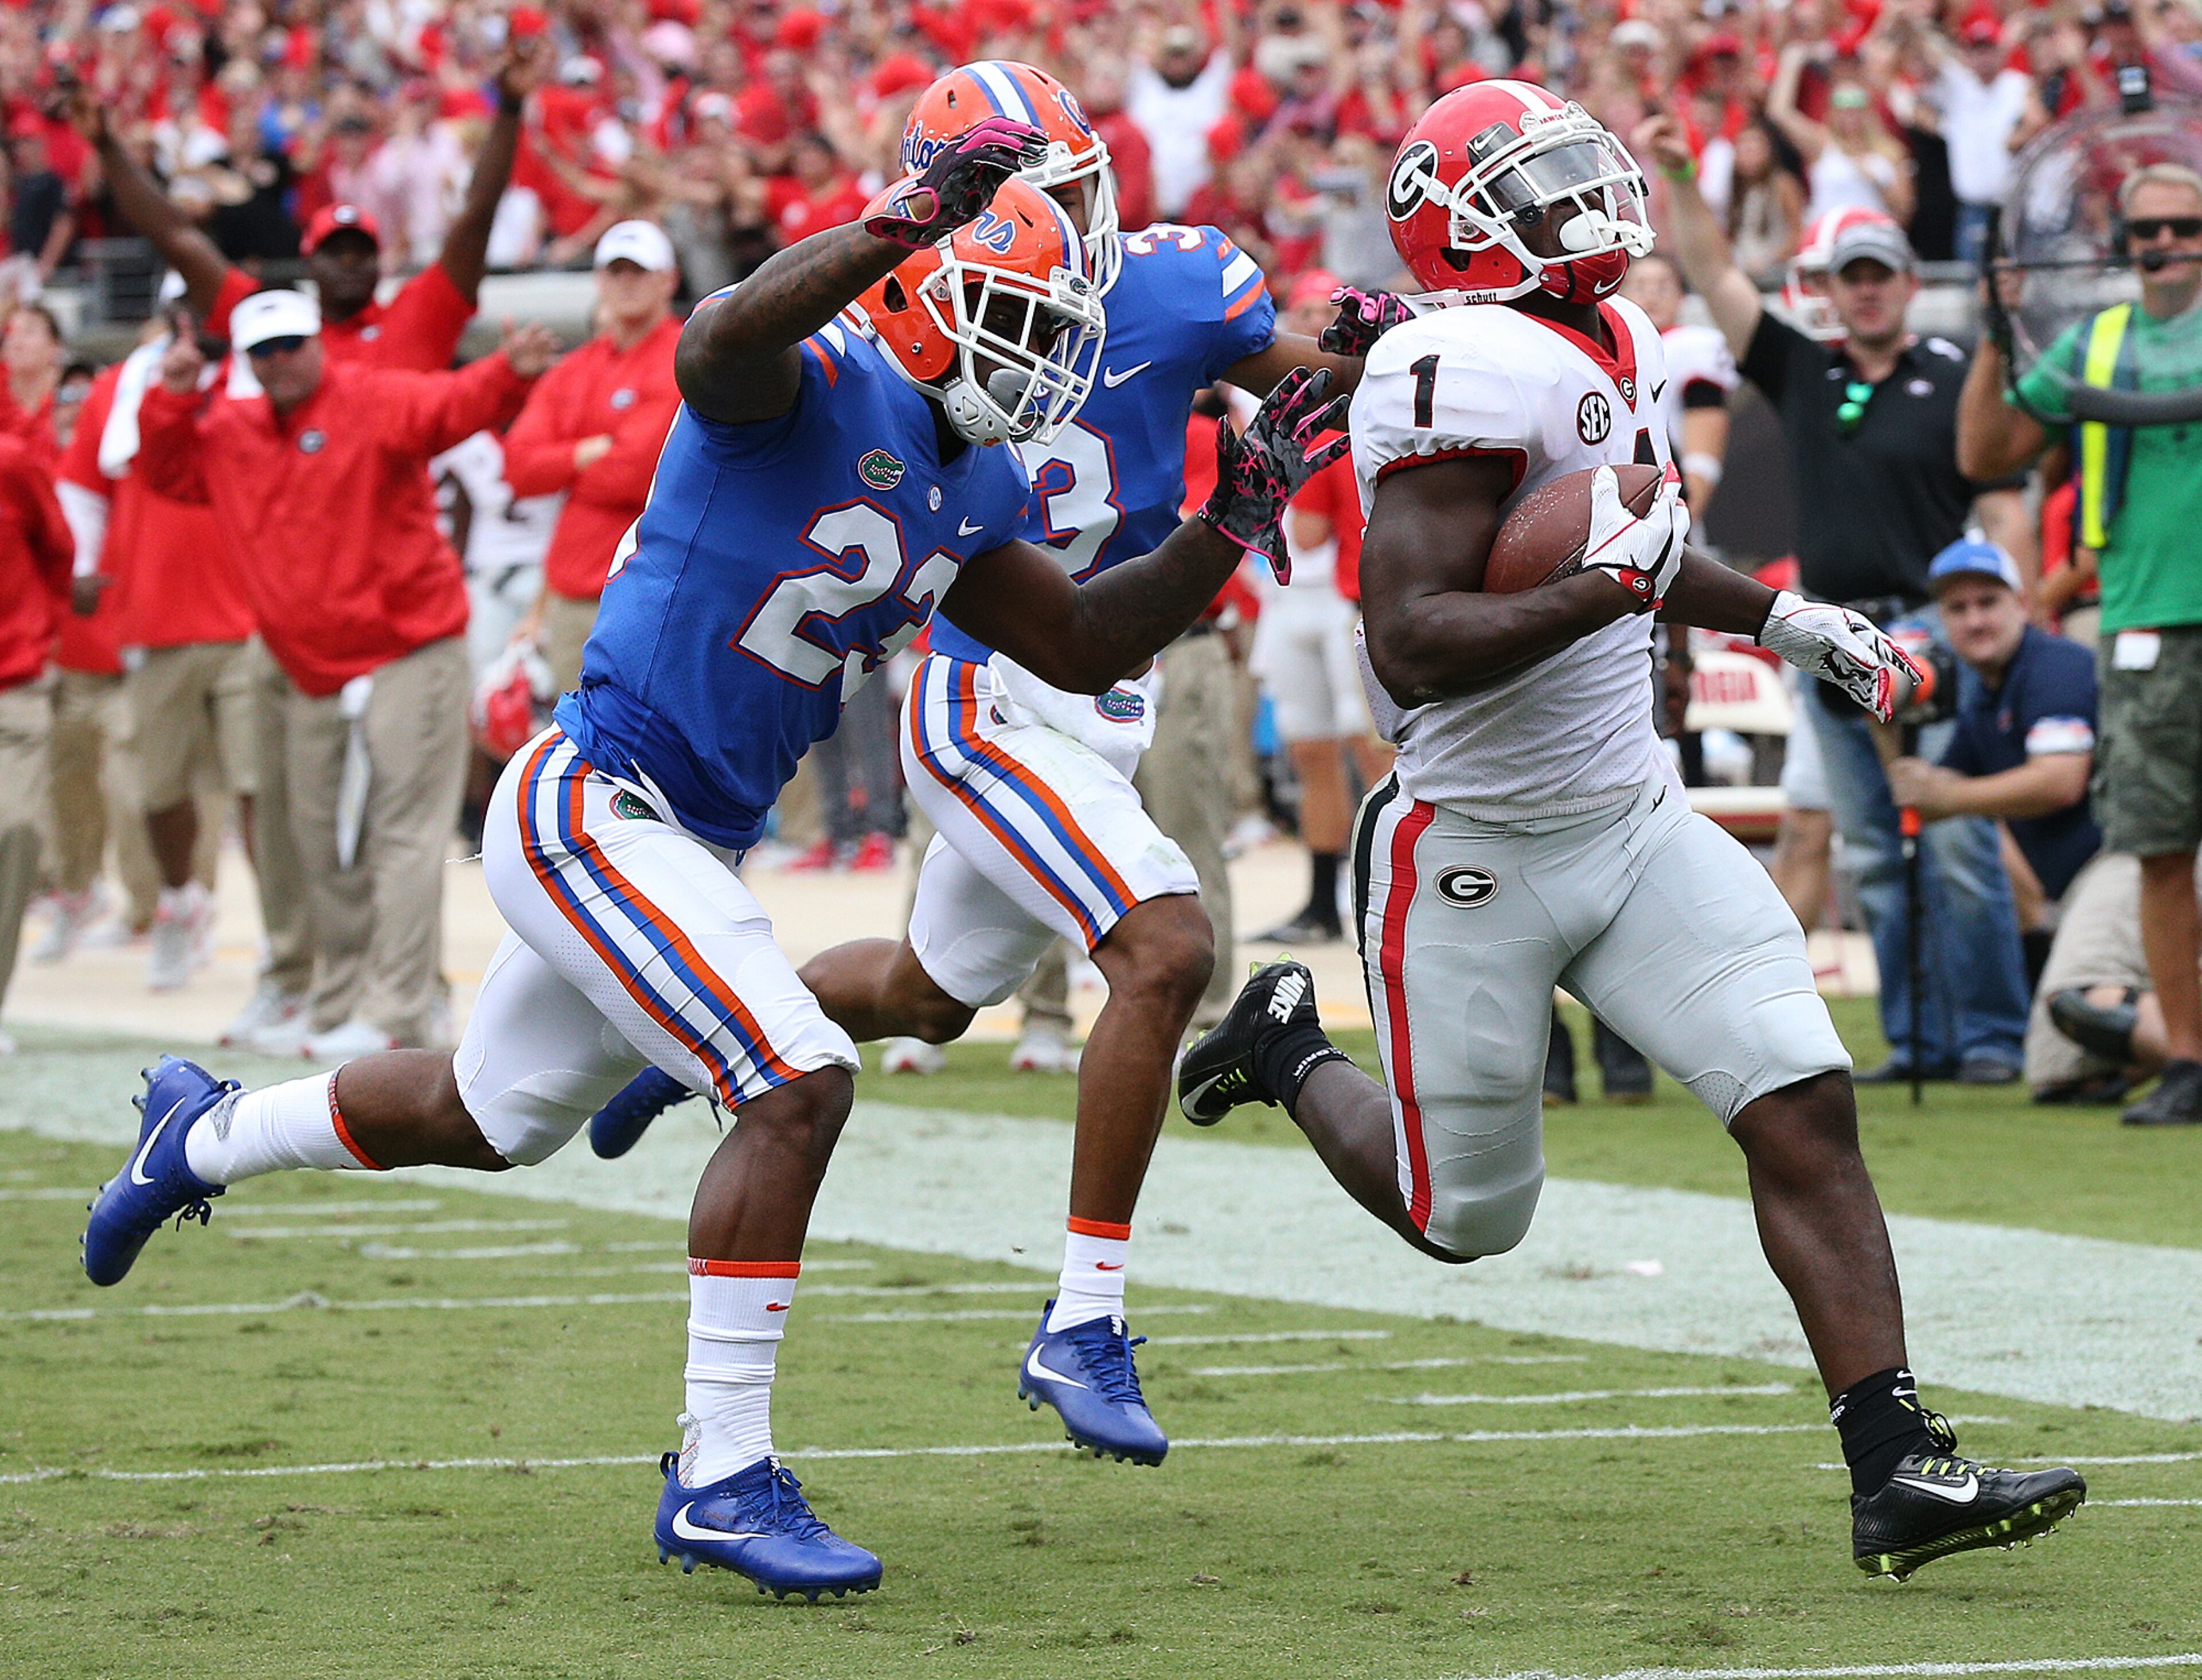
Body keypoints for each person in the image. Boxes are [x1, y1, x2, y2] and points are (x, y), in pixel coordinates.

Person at [83, 126, 1338, 1601]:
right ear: (933, 305)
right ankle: (722, 1473)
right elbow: (715, 335)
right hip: (595, 798)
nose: (1052, 367)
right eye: (1028, 329)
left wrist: (1231, 516)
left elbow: (1082, 640)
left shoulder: (978, 488)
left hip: (678, 832)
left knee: (485, 1116)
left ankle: (207, 1130)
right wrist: (897, 220)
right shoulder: (799, 381)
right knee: (798, 1075)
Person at [1178, 80, 2086, 1583]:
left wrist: (1795, 620)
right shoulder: (1448, 361)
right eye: (1535, 188)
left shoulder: (1626, 332)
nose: (1583, 207)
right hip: (1470, 846)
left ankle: (1897, 1465)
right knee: (1462, 1219)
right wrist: (1608, 589)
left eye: (1576, 176)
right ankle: (1284, 1046)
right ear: (1460, 230)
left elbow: (1642, 532)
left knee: (1802, 1097)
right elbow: (1411, 639)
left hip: (1632, 816)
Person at [1647, 112, 2036, 1085]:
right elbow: (1717, 276)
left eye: (1881, 275)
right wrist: (1685, 181)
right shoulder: (1801, 369)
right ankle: (1915, 1040)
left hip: (1931, 623)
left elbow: (1999, 496)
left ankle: (1990, 1038)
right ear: (1828, 290)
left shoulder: (1956, 377)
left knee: (1954, 842)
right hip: (1832, 631)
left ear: (1909, 285)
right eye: (1849, 277)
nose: (1865, 292)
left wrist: (2000, 621)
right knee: (1870, 845)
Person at [132, 293, 559, 1060]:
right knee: (312, 831)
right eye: (264, 350)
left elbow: (449, 405)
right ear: (246, 361)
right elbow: (163, 469)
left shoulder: (369, 394)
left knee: (401, 829)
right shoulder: (228, 432)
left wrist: (507, 372)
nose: (281, 359)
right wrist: (171, 396)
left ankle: (397, 1007)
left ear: (315, 344)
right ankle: (341, 996)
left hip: (410, 642)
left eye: (292, 343)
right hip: (310, 660)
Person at [1955, 162, 2202, 1126]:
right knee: (2157, 850)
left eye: (2184, 223)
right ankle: (2185, 1060)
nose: (2166, 242)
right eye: (2147, 229)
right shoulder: (2098, 342)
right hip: (2141, 625)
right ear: (2123, 242)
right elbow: (1983, 455)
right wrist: (1993, 331)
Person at [69, 41, 544, 372]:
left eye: (360, 253)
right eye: (335, 253)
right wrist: (109, 149)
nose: (349, 265)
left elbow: (476, 219)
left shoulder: (411, 321)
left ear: (381, 264)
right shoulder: (275, 323)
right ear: (309, 264)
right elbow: (180, 241)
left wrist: (507, 110)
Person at [1884, 540, 2106, 1101]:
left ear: (2024, 604)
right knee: (2058, 1070)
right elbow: (1929, 795)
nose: (1975, 619)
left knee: (2071, 1040)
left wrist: (1948, 797)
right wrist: (1881, 711)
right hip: (2084, 882)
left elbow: (2060, 782)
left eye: (1988, 602)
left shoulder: (2056, 664)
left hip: (2126, 864)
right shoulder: (1984, 691)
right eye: (1958, 610)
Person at [1252, 268, 1391, 946]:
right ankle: (1323, 901)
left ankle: (1379, 891)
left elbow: (1309, 528)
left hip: (1343, 599)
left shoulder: (1357, 412)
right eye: (1300, 312)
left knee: (1372, 750)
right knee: (1310, 748)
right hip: (1293, 597)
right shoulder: (1286, 406)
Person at [503, 220, 684, 697]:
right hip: (575, 591)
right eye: (616, 271)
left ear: (669, 279)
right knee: (583, 750)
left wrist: (565, 464)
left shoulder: (683, 356)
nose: (627, 283)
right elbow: (518, 467)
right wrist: (586, 452)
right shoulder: (576, 369)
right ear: (599, 280)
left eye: (639, 272)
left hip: (659, 593)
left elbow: (635, 473)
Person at [0, 431, 76, 1053]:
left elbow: (58, 551)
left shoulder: (13, 461)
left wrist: (38, 633)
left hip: (13, 686)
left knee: (16, 828)